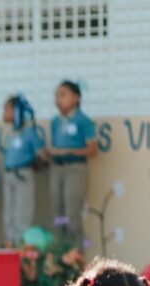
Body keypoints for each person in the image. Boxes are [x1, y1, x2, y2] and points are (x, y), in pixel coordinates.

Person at [47, 81, 97, 246]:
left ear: (76, 98)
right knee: (58, 213)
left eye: (63, 95)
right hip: (57, 168)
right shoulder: (55, 121)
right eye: (57, 95)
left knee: (72, 212)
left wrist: (69, 151)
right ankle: (60, 252)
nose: (58, 99)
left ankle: (75, 253)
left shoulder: (83, 120)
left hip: (75, 169)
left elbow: (92, 149)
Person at [1, 95, 45, 247]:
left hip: (22, 176)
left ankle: (22, 249)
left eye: (7, 109)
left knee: (22, 215)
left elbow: (42, 156)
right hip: (9, 175)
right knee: (9, 215)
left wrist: (29, 165)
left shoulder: (29, 132)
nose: (4, 113)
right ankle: (10, 245)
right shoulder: (11, 133)